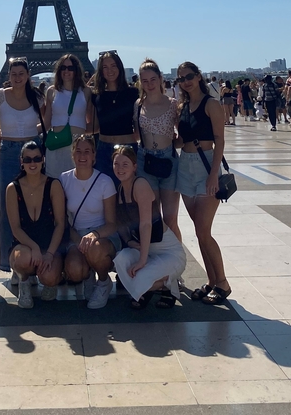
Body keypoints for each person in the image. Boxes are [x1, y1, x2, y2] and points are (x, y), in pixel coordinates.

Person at [174, 61, 232, 306]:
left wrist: (213, 174)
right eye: (181, 79)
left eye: (189, 76)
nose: (186, 81)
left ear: (198, 77)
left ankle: (223, 283)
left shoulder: (211, 104)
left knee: (203, 231)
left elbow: (220, 140)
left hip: (206, 165)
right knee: (199, 231)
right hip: (185, 167)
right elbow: (182, 141)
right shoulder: (182, 107)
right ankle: (211, 281)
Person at [0, 57, 45, 274]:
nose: (17, 77)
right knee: (7, 207)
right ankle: (10, 262)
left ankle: (34, 260)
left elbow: (47, 121)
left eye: (21, 73)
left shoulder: (37, 96)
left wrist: (32, 131)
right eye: (14, 74)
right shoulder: (0, 96)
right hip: (9, 152)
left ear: (28, 75)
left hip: (33, 152)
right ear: (8, 76)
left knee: (35, 205)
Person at [112, 145, 186, 309]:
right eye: (116, 164)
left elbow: (146, 224)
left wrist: (142, 261)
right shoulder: (120, 190)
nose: (120, 168)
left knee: (139, 278)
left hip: (168, 254)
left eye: (125, 164)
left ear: (134, 167)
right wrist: (129, 242)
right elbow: (121, 224)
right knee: (120, 260)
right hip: (145, 250)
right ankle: (149, 287)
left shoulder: (140, 185)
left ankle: (166, 285)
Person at [60, 134, 119, 309]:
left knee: (94, 249)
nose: (82, 156)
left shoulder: (105, 181)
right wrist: (79, 240)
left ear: (94, 155)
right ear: (72, 155)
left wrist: (94, 235)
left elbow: (112, 224)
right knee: (74, 270)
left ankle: (104, 282)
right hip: (76, 234)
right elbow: (62, 219)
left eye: (87, 151)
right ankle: (88, 275)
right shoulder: (64, 179)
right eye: (78, 151)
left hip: (102, 235)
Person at [7, 141, 66, 308]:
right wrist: (33, 247)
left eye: (37, 159)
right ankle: (24, 281)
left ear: (43, 160)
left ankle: (49, 283)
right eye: (27, 159)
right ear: (21, 162)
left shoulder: (53, 185)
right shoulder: (13, 188)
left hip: (49, 245)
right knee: (23, 259)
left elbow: (60, 224)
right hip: (24, 245)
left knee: (50, 277)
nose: (32, 163)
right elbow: (15, 228)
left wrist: (49, 254)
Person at [134, 59, 181, 241]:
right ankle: (158, 254)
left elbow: (183, 135)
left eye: (153, 79)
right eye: (145, 81)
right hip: (145, 160)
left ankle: (176, 255)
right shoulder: (138, 105)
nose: (150, 84)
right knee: (153, 218)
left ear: (161, 78)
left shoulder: (172, 104)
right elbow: (136, 134)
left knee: (170, 218)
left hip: (168, 160)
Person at [87, 50, 138, 180]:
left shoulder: (133, 93)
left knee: (128, 190)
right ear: (100, 71)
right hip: (103, 149)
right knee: (104, 190)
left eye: (113, 66)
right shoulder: (96, 95)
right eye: (105, 67)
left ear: (120, 67)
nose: (109, 70)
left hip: (128, 148)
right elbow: (94, 127)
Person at [44, 54, 91, 179]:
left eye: (70, 68)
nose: (66, 71)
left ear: (76, 70)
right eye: (63, 68)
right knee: (55, 184)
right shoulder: (51, 91)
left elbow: (92, 123)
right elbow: (46, 123)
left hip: (77, 146)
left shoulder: (86, 91)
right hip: (57, 144)